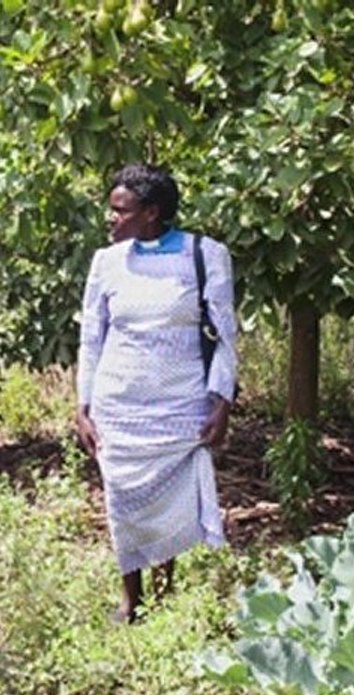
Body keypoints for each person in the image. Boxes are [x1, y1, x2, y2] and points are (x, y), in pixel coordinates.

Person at [75, 164, 237, 624]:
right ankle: (132, 600)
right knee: (122, 502)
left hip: (181, 405)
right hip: (119, 407)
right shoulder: (106, 263)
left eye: (119, 211)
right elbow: (92, 337)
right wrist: (83, 406)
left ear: (152, 213)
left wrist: (222, 402)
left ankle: (166, 594)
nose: (110, 219)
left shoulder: (204, 255)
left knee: (170, 504)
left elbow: (225, 336)